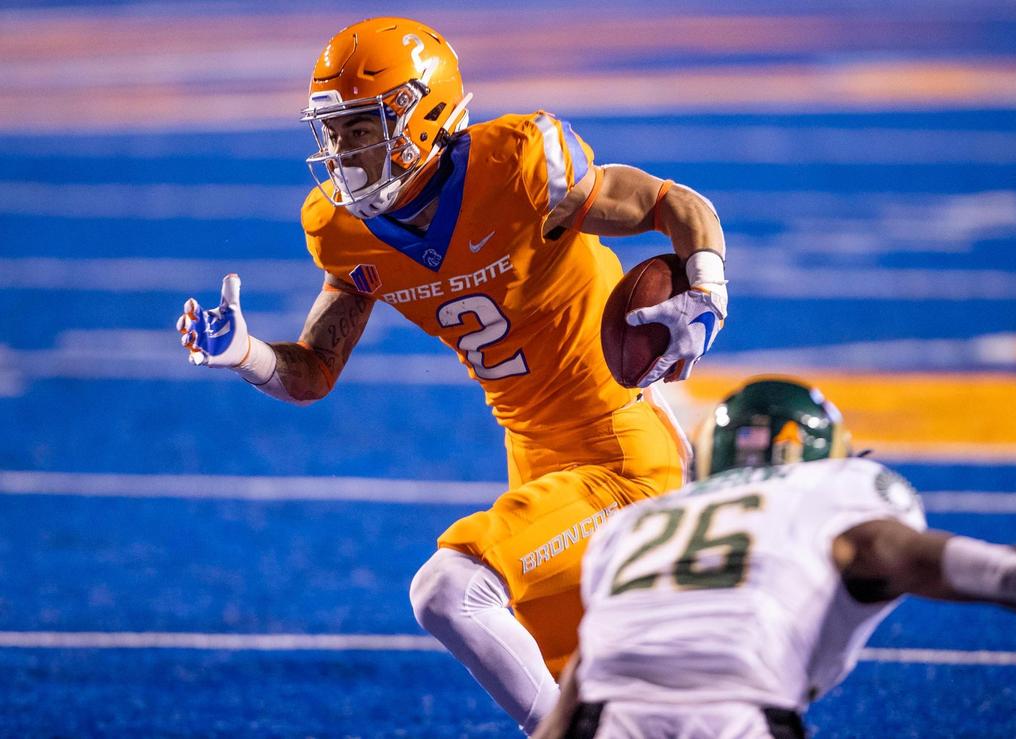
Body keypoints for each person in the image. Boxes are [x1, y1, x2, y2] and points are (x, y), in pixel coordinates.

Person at [174, 16, 727, 733]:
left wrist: (706, 289)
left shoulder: (525, 163)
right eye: (333, 130)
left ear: (423, 113)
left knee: (451, 591)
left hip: (620, 454)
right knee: (616, 694)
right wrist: (246, 352)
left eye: (361, 127)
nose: (341, 150)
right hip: (536, 463)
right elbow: (313, 372)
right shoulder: (342, 229)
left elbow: (674, 205)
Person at [533, 377, 1016, 739]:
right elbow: (1010, 574)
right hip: (730, 716)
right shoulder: (835, 496)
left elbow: (581, 681)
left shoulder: (636, 524)